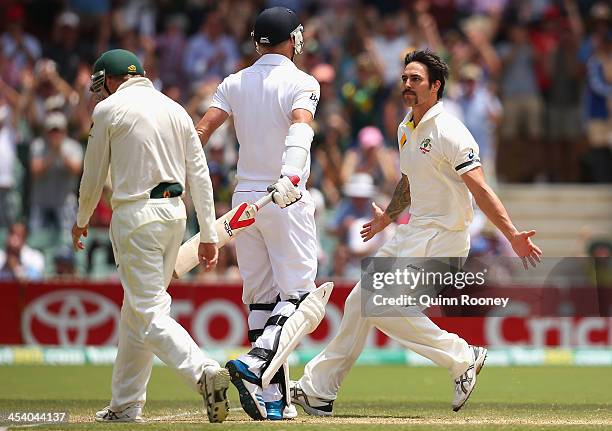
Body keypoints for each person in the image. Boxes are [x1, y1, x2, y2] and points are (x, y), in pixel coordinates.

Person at [291, 50, 542, 415]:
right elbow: (408, 183)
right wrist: (387, 218)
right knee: (360, 301)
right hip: (413, 234)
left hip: (445, 239)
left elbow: (480, 189)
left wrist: (512, 233)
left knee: (382, 304)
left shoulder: (449, 129)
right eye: (405, 78)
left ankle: (462, 356)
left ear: (435, 86)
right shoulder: (405, 127)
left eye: (416, 79)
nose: (406, 85)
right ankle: (319, 391)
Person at [70, 49, 230, 423]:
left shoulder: (108, 110)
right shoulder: (175, 109)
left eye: (101, 84)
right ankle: (125, 404)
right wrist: (208, 233)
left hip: (136, 215)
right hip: (175, 215)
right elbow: (200, 174)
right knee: (136, 312)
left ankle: (203, 371)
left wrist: (81, 219)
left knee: (148, 312)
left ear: (110, 79)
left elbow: (93, 176)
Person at [194, 7, 323, 420]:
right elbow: (301, 126)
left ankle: (274, 401)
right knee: (301, 298)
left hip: (245, 201)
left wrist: (184, 184)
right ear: (293, 40)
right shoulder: (302, 81)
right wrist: (289, 175)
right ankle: (254, 364)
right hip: (285, 197)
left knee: (263, 303)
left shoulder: (234, 82)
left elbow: (200, 132)